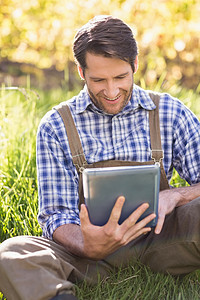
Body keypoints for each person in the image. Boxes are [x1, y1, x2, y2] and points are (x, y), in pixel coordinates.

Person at [0, 15, 200, 300]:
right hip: (87, 257)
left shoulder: (169, 112)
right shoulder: (56, 125)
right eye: (98, 79)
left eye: (120, 77)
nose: (111, 91)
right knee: (11, 254)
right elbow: (56, 215)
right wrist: (86, 245)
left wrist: (176, 196)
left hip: (163, 243)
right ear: (81, 72)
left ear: (134, 66)